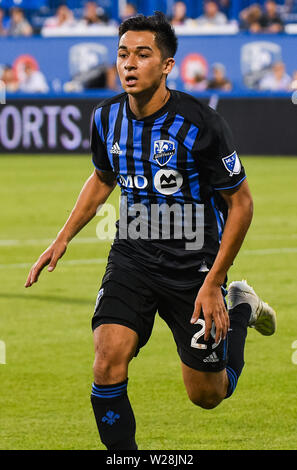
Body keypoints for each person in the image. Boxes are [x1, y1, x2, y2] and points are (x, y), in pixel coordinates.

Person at [25, 12, 277, 450]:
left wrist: (214, 282)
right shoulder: (106, 118)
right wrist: (62, 237)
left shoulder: (202, 124)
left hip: (194, 264)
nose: (129, 64)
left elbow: (242, 204)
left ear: (166, 65)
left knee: (207, 395)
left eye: (142, 55)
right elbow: (103, 178)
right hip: (133, 255)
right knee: (106, 363)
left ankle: (240, 307)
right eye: (123, 54)